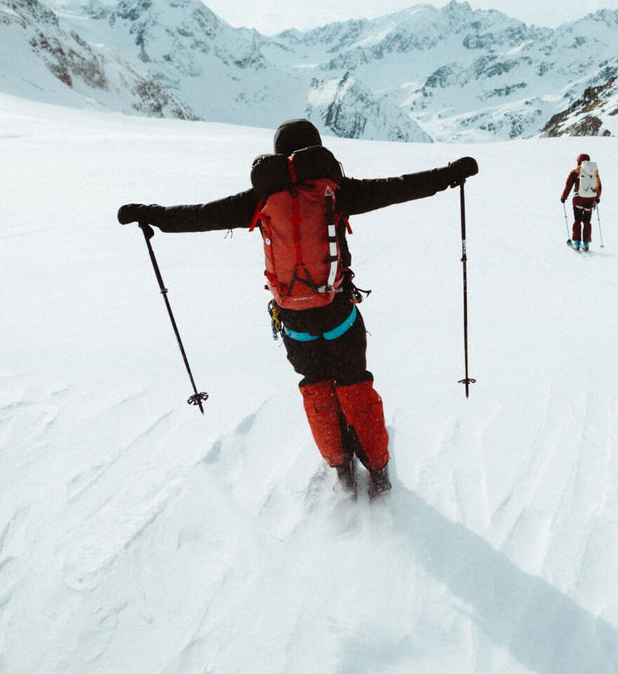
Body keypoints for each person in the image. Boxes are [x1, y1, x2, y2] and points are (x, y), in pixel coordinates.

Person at [118, 118, 477, 496]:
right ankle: (378, 472)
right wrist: (450, 175)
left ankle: (341, 468)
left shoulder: (260, 200)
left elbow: (200, 215)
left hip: (294, 323)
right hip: (339, 314)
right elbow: (400, 188)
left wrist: (152, 214)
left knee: (317, 388)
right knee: (354, 384)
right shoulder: (336, 192)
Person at [559, 152, 600, 251]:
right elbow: (599, 186)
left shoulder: (575, 171)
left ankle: (576, 243)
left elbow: (568, 186)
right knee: (587, 222)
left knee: (577, 221)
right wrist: (597, 199)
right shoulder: (594, 172)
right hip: (590, 201)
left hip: (578, 200)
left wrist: (564, 197)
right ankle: (586, 244)